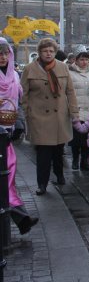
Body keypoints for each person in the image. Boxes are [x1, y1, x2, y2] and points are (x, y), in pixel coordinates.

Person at [20, 38, 79, 195]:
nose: (48, 54)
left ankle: (59, 174)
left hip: (59, 116)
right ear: (39, 52)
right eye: (45, 51)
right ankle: (42, 184)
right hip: (39, 118)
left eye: (51, 51)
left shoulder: (63, 68)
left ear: (55, 52)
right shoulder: (29, 69)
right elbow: (24, 94)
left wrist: (74, 113)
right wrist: (27, 113)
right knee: (43, 153)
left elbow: (70, 92)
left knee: (58, 149)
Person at [0, 38, 39, 234]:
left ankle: (20, 217)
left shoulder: (15, 76)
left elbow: (18, 101)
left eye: (5, 53)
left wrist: (19, 124)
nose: (2, 56)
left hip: (7, 133)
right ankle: (20, 217)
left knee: (8, 173)